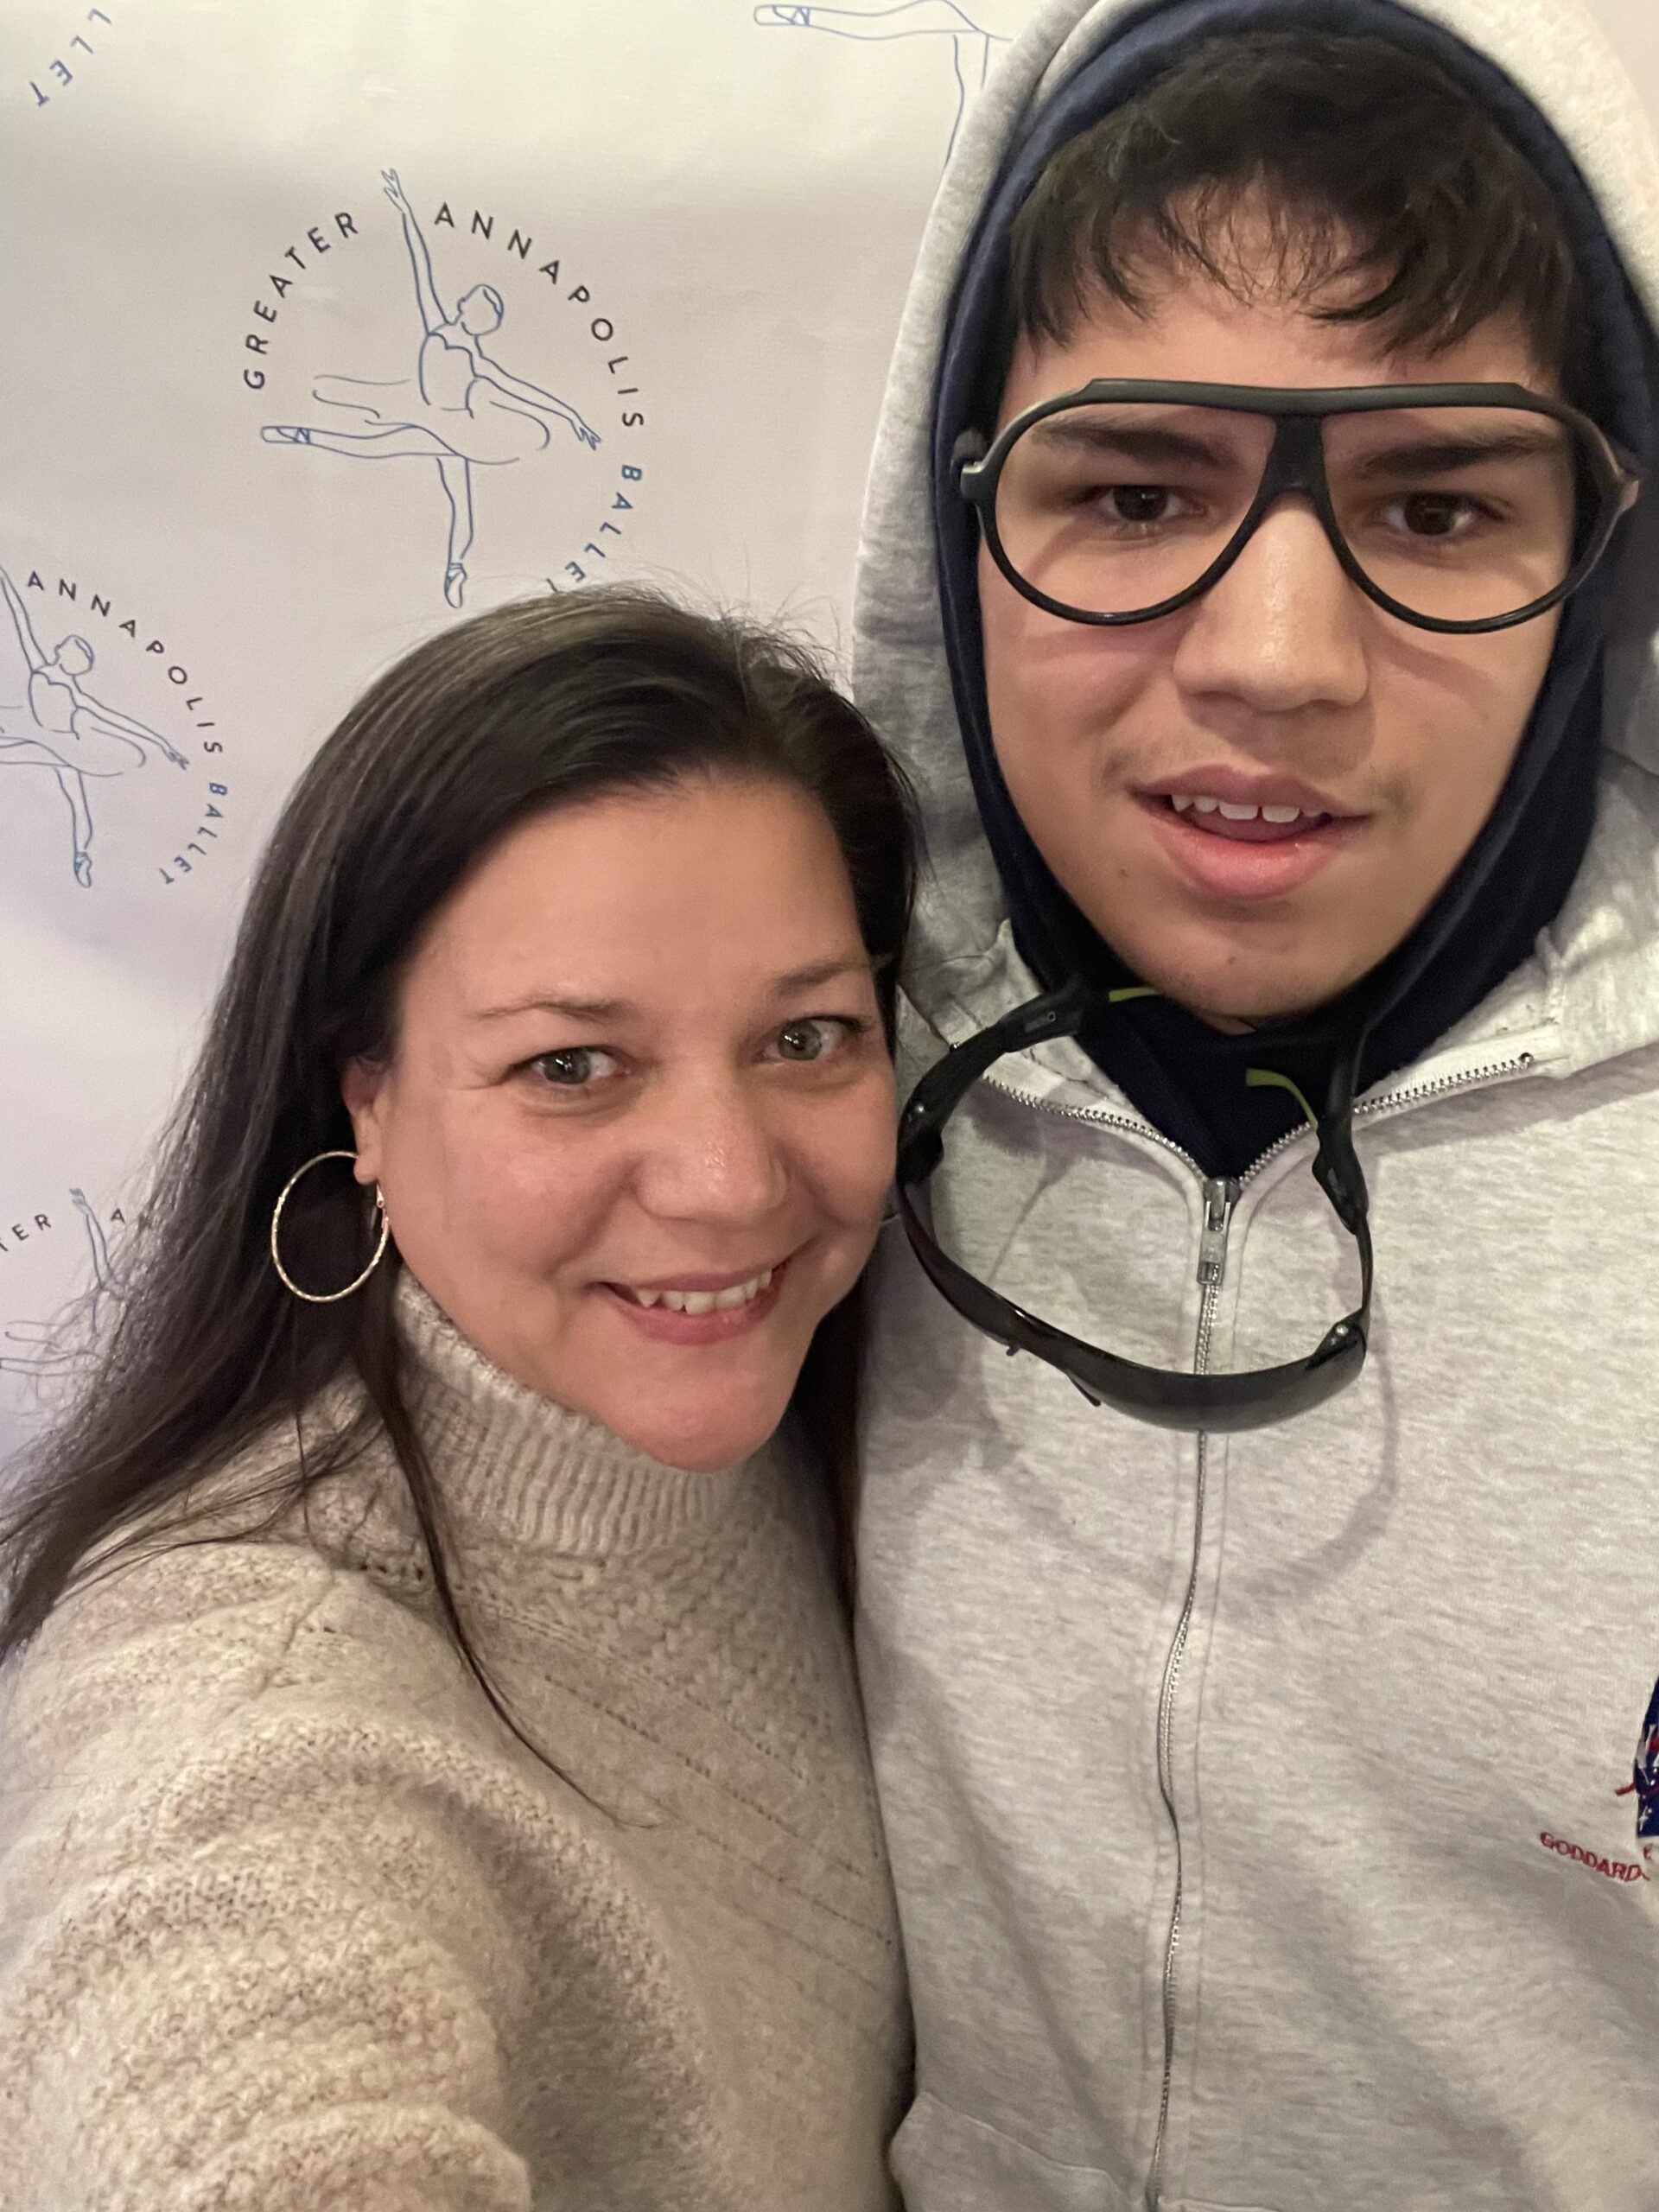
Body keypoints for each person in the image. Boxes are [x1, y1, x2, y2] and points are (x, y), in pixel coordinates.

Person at [851, 3, 1659, 2207]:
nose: (1281, 652)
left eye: (1436, 498)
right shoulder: (789, 1085)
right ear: (964, 520)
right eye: (1130, 488)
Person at [0, 588, 915, 2211]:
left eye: (807, 1035)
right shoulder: (241, 1705)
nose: (724, 1181)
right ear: (363, 1092)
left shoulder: (827, 1433)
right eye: (570, 1065)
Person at [262, 171, 601, 609]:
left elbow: (524, 392)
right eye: (473, 307)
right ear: (466, 308)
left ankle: (454, 567)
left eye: (481, 315)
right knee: (378, 434)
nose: (472, 315)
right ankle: (311, 431)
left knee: (394, 457)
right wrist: (406, 213)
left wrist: (572, 417)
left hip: (458, 433)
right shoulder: (437, 322)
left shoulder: (479, 360)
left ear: (484, 323)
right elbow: (420, 266)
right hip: (425, 412)